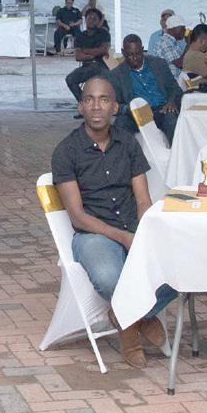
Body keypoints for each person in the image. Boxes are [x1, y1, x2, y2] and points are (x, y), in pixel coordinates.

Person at [51, 75, 174, 368]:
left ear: (115, 107)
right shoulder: (66, 152)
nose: (96, 106)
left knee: (178, 268)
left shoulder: (128, 143)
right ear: (81, 106)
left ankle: (125, 316)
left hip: (132, 225)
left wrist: (143, 233)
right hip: (92, 233)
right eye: (89, 99)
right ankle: (134, 329)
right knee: (110, 277)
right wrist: (123, 238)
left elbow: (143, 200)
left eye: (104, 100)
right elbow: (78, 216)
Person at [108, 35, 181, 142]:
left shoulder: (158, 64)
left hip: (162, 110)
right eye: (130, 55)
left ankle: (177, 151)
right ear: (123, 52)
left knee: (172, 120)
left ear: (142, 50)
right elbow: (114, 104)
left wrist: (171, 101)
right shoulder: (117, 75)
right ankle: (122, 152)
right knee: (120, 124)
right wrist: (129, 109)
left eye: (138, 53)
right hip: (136, 115)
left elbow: (175, 88)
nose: (134, 58)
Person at [66, 7, 113, 101]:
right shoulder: (80, 36)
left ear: (99, 21)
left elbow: (103, 50)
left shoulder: (104, 33)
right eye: (89, 18)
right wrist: (95, 54)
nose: (91, 20)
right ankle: (84, 102)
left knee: (112, 81)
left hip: (102, 65)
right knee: (70, 79)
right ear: (85, 20)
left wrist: (85, 50)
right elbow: (78, 57)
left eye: (95, 19)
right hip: (87, 66)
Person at [148, 14, 188, 81]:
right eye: (183, 28)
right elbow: (180, 64)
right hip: (168, 83)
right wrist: (189, 45)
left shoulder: (172, 42)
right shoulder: (165, 42)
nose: (185, 30)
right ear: (174, 28)